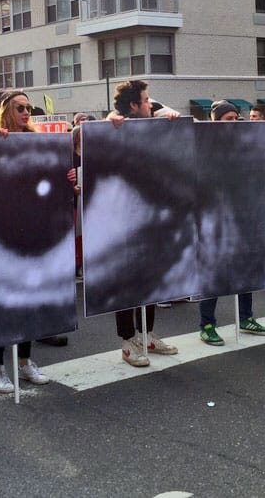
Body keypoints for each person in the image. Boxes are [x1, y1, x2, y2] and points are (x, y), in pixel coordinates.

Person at [0, 90, 52, 392]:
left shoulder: (37, 143)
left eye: (29, 109)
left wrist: (68, 181)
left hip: (31, 234)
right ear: (6, 112)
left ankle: (25, 362)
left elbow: (46, 183)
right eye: (20, 108)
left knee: (28, 300)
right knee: (2, 303)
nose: (26, 113)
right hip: (0, 234)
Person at [109, 80, 179, 366]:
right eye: (146, 100)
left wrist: (166, 112)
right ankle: (127, 342)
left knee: (150, 278)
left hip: (151, 217)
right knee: (126, 282)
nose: (151, 103)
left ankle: (147, 334)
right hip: (123, 220)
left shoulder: (152, 118)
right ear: (134, 105)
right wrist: (111, 119)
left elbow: (166, 110)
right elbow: (100, 128)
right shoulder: (115, 126)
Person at [198, 101, 265, 346]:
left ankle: (246, 317)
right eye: (227, 119)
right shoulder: (205, 145)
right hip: (214, 217)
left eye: (235, 118)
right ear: (215, 121)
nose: (233, 123)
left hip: (243, 213)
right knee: (214, 270)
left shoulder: (244, 144)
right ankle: (207, 324)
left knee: (245, 265)